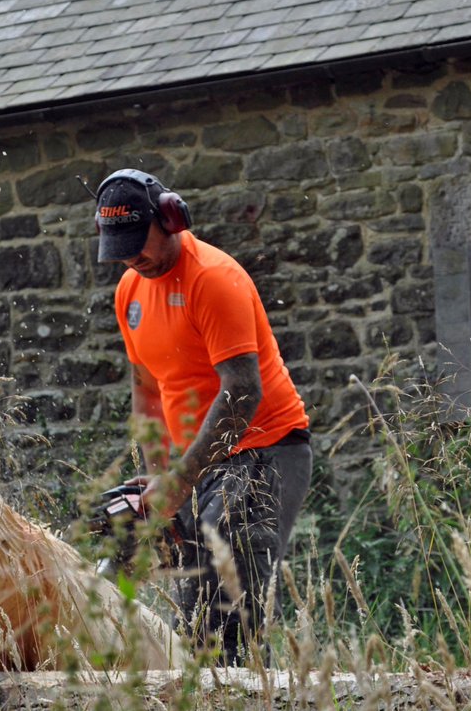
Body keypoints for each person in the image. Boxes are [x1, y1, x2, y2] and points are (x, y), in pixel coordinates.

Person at [94, 168, 313, 665]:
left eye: (139, 242)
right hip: (201, 463)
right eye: (121, 247)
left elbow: (242, 393)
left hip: (266, 448)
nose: (132, 257)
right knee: (195, 626)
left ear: (170, 218)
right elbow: (146, 389)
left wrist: (178, 480)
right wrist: (155, 478)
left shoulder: (213, 279)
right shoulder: (130, 292)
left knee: (225, 599)